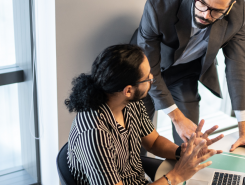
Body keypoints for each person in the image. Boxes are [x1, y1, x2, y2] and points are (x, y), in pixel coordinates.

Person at [137, 0, 245, 156]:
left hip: (184, 74)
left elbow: (238, 67)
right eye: (202, 3)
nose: (206, 15)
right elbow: (149, 68)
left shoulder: (238, 12)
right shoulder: (161, 3)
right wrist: (176, 117)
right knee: (137, 138)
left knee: (190, 144)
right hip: (142, 73)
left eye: (217, 11)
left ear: (231, 5)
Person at [65, 44, 223, 185]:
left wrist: (182, 153)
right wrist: (176, 176)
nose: (152, 78)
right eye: (147, 77)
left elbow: (153, 142)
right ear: (128, 90)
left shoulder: (130, 103)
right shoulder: (95, 134)